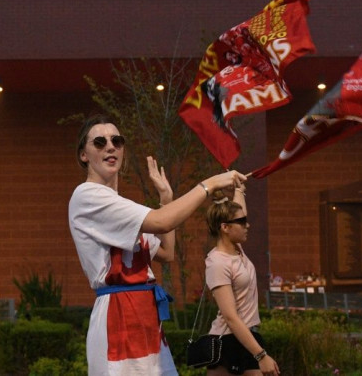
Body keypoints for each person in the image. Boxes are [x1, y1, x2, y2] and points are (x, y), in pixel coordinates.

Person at [69, 114, 247, 375]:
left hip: (145, 315)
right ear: (83, 154)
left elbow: (166, 252)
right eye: (99, 142)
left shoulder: (119, 204)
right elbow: (162, 222)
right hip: (118, 316)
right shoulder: (87, 196)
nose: (110, 146)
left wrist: (166, 198)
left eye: (116, 141)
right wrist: (208, 185)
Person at [204, 186, 280, 376]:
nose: (248, 225)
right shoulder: (218, 263)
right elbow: (230, 317)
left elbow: (239, 210)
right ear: (225, 227)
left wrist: (239, 188)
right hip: (227, 340)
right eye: (242, 222)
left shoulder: (237, 249)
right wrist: (261, 355)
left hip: (246, 335)